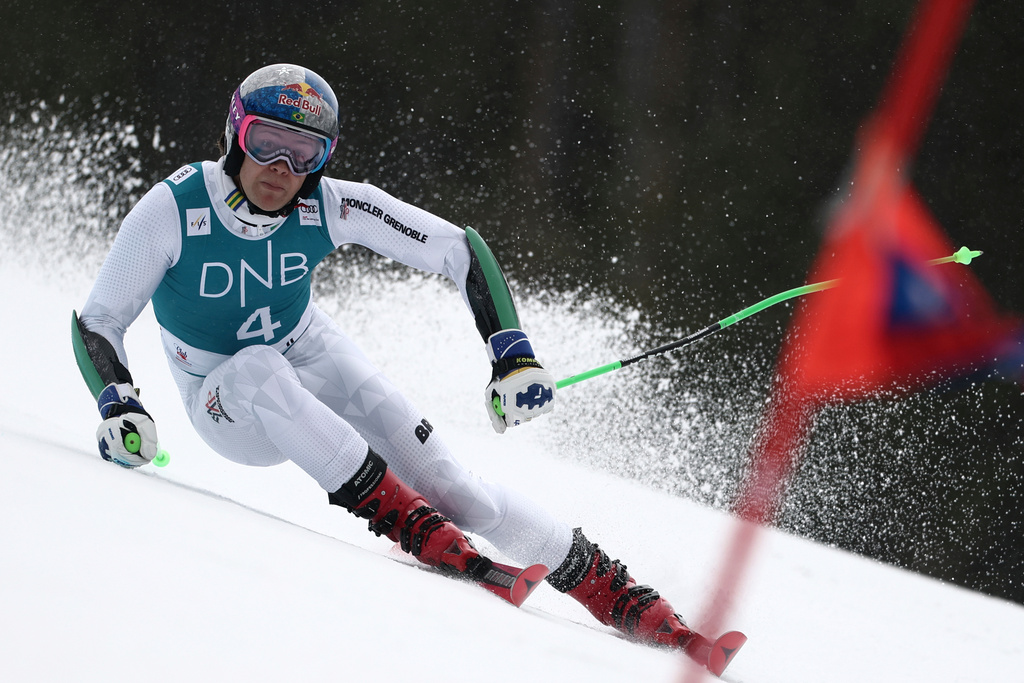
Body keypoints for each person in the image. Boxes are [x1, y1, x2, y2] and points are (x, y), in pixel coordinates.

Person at [73, 63, 705, 655]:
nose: (281, 167)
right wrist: (119, 402)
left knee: (457, 489)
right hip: (222, 398)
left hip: (308, 350)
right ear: (234, 133)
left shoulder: (332, 203)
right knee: (257, 368)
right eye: (266, 141)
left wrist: (510, 352)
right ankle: (415, 529)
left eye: (305, 153)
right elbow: (98, 320)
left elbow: (459, 249)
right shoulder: (174, 208)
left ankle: (622, 597)